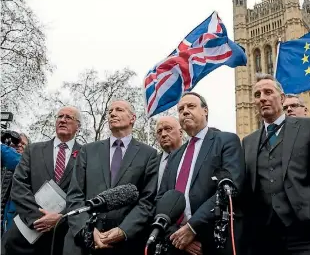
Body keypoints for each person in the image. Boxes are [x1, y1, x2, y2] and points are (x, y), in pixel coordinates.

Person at [243, 73, 310, 255]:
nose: (262, 98)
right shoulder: (248, 141)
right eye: (257, 95)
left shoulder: (309, 127)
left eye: (268, 92)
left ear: (281, 98)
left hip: (308, 233)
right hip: (265, 238)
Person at [64, 100, 159, 255]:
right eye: (110, 111)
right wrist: (86, 230)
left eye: (119, 110)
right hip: (83, 245)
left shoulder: (148, 154)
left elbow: (147, 200)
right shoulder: (88, 151)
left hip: (125, 244)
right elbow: (75, 194)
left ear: (132, 118)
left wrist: (123, 230)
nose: (112, 114)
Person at [157, 92, 245, 255]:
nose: (184, 111)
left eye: (191, 106)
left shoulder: (226, 141)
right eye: (181, 109)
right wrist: (176, 234)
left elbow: (231, 187)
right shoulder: (174, 156)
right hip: (178, 245)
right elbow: (162, 199)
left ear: (205, 111)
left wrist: (192, 227)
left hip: (213, 240)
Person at [2, 107, 82, 255]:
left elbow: (87, 192)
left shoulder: (86, 154)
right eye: (60, 117)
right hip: (24, 237)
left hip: (63, 238)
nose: (63, 120)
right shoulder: (33, 150)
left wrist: (61, 218)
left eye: (68, 117)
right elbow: (19, 185)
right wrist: (38, 218)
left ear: (78, 126)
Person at [1, 133, 30, 234]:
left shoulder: (28, 164)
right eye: (16, 142)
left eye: (23, 143)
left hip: (11, 223)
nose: (19, 145)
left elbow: (18, 162)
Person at [155, 116, 183, 191]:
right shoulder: (152, 163)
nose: (163, 134)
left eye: (168, 129)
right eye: (159, 131)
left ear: (180, 133)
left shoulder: (191, 157)